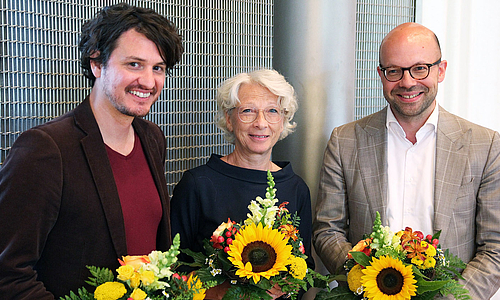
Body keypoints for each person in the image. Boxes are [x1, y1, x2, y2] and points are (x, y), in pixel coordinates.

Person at [0, 3, 183, 299]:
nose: (149, 82)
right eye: (134, 64)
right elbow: (9, 274)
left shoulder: (152, 138)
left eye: (158, 68)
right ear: (97, 64)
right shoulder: (46, 148)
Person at [313, 22, 500, 299]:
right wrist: (368, 284)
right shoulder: (345, 141)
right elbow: (327, 231)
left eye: (420, 68)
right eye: (394, 71)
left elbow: (494, 247)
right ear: (381, 74)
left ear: (441, 70)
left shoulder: (486, 145)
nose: (408, 82)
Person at [170, 69, 313, 299]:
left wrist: (287, 285)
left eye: (272, 111)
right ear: (229, 119)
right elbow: (174, 268)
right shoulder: (197, 185)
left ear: (283, 120)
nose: (261, 123)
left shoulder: (296, 188)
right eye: (248, 111)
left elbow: (307, 270)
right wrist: (229, 293)